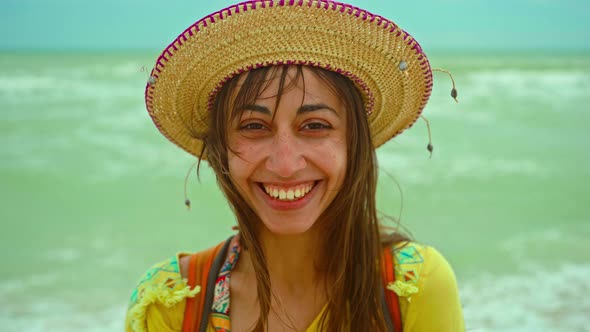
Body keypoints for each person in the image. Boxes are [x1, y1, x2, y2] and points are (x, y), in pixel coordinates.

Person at [125, 0, 464, 331]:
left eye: (315, 126)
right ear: (220, 150)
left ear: (353, 143)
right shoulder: (173, 303)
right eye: (254, 126)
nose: (286, 165)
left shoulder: (412, 289)